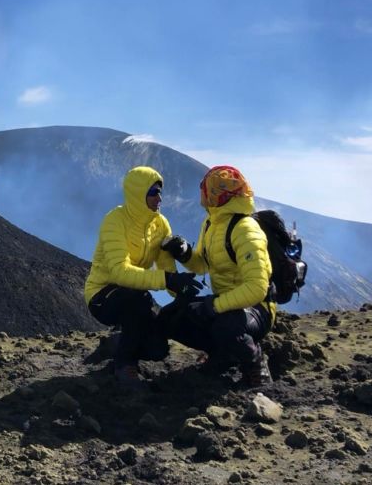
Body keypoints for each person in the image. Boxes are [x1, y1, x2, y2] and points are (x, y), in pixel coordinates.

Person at [85, 166, 202, 388]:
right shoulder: (115, 220)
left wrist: (181, 289)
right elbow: (120, 272)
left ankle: (117, 343)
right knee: (135, 300)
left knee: (157, 350)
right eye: (153, 192)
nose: (159, 197)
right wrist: (167, 280)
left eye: (160, 191)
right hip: (103, 295)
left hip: (135, 294)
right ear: (138, 194)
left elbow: (167, 267)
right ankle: (123, 364)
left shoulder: (160, 224)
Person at [160, 165, 275, 386]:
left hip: (257, 308)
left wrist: (215, 306)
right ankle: (223, 355)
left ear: (216, 194)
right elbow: (203, 264)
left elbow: (257, 288)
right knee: (171, 317)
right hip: (226, 303)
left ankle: (256, 363)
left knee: (226, 326)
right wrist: (183, 253)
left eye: (206, 190)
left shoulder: (246, 230)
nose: (203, 195)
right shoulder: (212, 223)